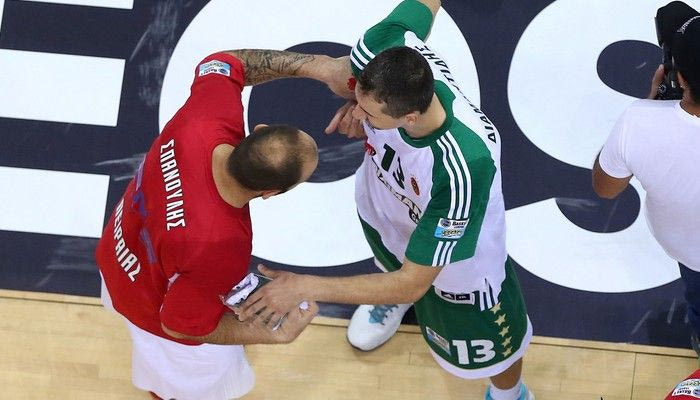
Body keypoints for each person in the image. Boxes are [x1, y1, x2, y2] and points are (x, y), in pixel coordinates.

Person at [236, 1, 535, 399]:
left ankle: (511, 394)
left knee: (494, 352)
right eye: (357, 100)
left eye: (368, 112)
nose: (356, 114)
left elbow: (412, 282)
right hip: (387, 204)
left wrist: (302, 286)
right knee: (391, 260)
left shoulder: (464, 167)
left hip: (455, 263)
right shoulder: (386, 45)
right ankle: (387, 295)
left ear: (409, 117)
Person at [95, 48, 351, 400]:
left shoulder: (207, 116)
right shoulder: (221, 247)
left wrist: (321, 66)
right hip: (149, 307)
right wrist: (272, 334)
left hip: (117, 251)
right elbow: (180, 326)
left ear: (257, 131)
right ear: (271, 193)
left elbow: (225, 62)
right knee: (193, 383)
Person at [593, 15, 700, 355]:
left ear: (679, 77)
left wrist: (651, 105)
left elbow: (606, 187)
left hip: (691, 253)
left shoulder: (637, 122)